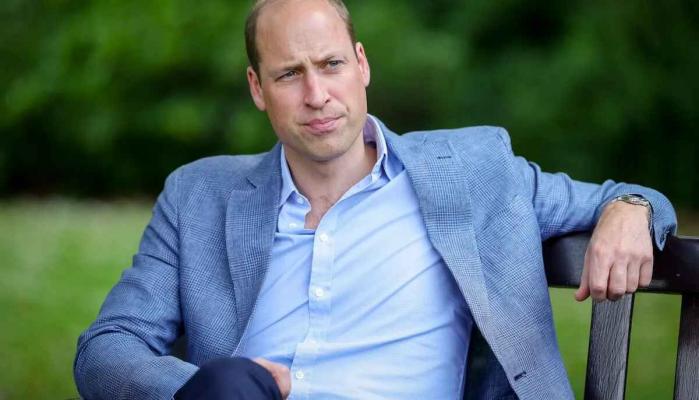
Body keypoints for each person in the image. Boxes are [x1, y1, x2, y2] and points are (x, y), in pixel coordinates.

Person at [74, 0, 677, 399]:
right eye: (289, 74)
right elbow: (106, 350)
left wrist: (633, 209)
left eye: (331, 64)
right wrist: (216, 389)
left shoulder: (473, 171)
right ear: (257, 88)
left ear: (361, 65)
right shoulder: (199, 196)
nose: (317, 94)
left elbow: (625, 197)